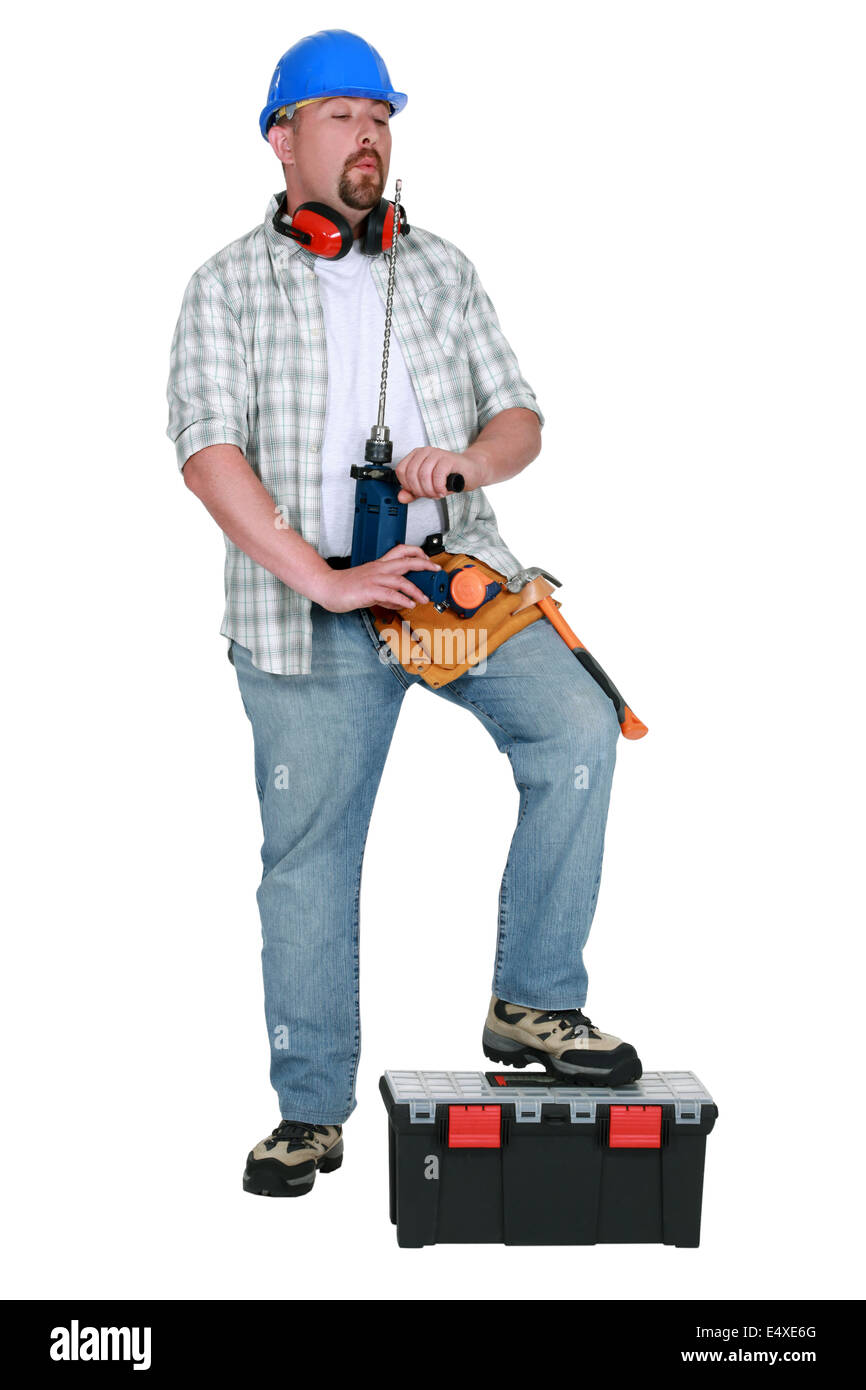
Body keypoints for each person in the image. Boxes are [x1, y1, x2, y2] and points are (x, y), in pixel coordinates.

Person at [166, 28, 641, 1200]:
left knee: (575, 730)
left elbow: (520, 414)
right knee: (312, 857)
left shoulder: (440, 268)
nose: (366, 132)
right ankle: (309, 1112)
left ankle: (531, 1001)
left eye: (379, 113)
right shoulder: (226, 283)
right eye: (338, 114)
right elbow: (208, 453)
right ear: (282, 139)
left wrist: (467, 465)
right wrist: (321, 577)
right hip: (305, 607)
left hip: (445, 582)